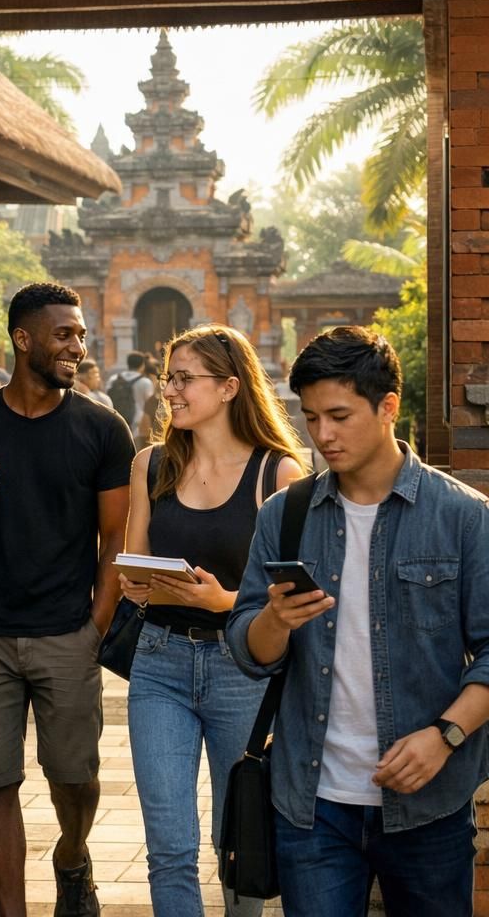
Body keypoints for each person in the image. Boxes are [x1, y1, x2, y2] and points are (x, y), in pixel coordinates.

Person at [227, 327, 489, 915]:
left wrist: (444, 735)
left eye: (340, 415)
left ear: (388, 406)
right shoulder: (286, 514)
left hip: (431, 803)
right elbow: (245, 647)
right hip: (312, 804)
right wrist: (274, 619)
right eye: (313, 417)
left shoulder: (463, 518)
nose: (322, 435)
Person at [0, 282, 134, 917]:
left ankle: (72, 854)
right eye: (64, 334)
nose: (79, 346)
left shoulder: (102, 428)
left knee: (76, 778)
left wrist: (95, 626)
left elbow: (116, 542)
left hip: (67, 631)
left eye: (81, 334)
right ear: (23, 339)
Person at [117, 325, 306, 917]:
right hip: (158, 662)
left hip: (240, 668)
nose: (168, 390)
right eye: (168, 377)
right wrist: (138, 583)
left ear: (228, 388)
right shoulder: (150, 465)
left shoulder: (278, 476)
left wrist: (222, 601)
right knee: (169, 846)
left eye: (183, 379)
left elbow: (289, 602)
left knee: (239, 841)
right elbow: (133, 567)